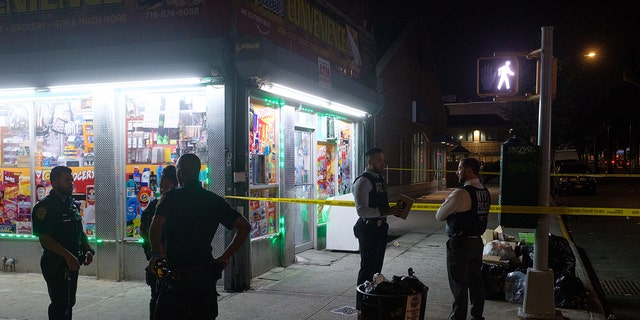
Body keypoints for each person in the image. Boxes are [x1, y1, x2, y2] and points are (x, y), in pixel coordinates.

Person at [147, 153, 251, 319]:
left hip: (176, 278)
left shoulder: (171, 198)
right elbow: (244, 227)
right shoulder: (213, 200)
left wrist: (155, 254)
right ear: (198, 172)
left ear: (180, 174)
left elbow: (156, 225)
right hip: (204, 277)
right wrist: (225, 256)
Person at [32, 166, 95, 320]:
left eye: (71, 179)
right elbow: (45, 239)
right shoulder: (44, 208)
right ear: (54, 182)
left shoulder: (71, 205)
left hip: (72, 262)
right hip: (56, 263)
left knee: (69, 302)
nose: (71, 183)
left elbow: (79, 232)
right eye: (66, 180)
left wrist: (88, 249)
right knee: (60, 304)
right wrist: (67, 256)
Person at [435, 157, 491, 320]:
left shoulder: (461, 193)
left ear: (467, 171)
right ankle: (477, 315)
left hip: (460, 245)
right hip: (476, 243)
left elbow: (439, 215)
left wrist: (447, 202)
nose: (457, 171)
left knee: (459, 284)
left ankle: (458, 317)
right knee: (476, 282)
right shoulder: (484, 191)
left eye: (459, 168)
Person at [352, 147, 403, 287]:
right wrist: (385, 211)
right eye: (379, 160)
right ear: (369, 161)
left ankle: (372, 301)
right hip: (368, 229)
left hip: (380, 228)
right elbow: (362, 210)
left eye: (383, 160)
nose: (383, 163)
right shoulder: (363, 182)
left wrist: (393, 210)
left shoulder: (379, 179)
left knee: (376, 270)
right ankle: (361, 303)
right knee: (367, 270)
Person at [139, 165, 178, 320]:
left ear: (176, 186)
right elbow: (143, 229)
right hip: (157, 263)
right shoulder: (153, 205)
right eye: (162, 187)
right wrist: (156, 246)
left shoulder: (178, 207)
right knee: (156, 299)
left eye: (167, 187)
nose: (163, 190)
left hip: (176, 263)